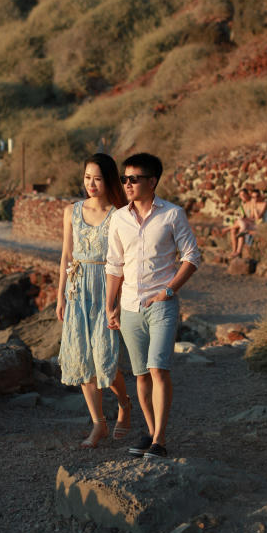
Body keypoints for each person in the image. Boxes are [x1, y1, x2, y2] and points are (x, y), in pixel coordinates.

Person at [105, 152, 201, 459]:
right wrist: (110, 306)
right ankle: (150, 432)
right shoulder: (118, 218)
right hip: (129, 305)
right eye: (124, 178)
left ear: (152, 181)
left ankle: (159, 439)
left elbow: (192, 256)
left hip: (162, 304)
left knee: (158, 368)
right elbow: (114, 265)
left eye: (134, 179)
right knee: (141, 375)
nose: (127, 184)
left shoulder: (172, 214)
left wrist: (169, 291)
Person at [56, 153, 132, 449]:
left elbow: (124, 259)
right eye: (87, 177)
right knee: (82, 359)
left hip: (105, 288)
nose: (91, 184)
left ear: (109, 180)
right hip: (77, 289)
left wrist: (118, 301)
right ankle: (98, 423)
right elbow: (66, 255)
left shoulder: (119, 214)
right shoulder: (71, 211)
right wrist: (61, 295)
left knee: (105, 359)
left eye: (97, 179)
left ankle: (124, 403)